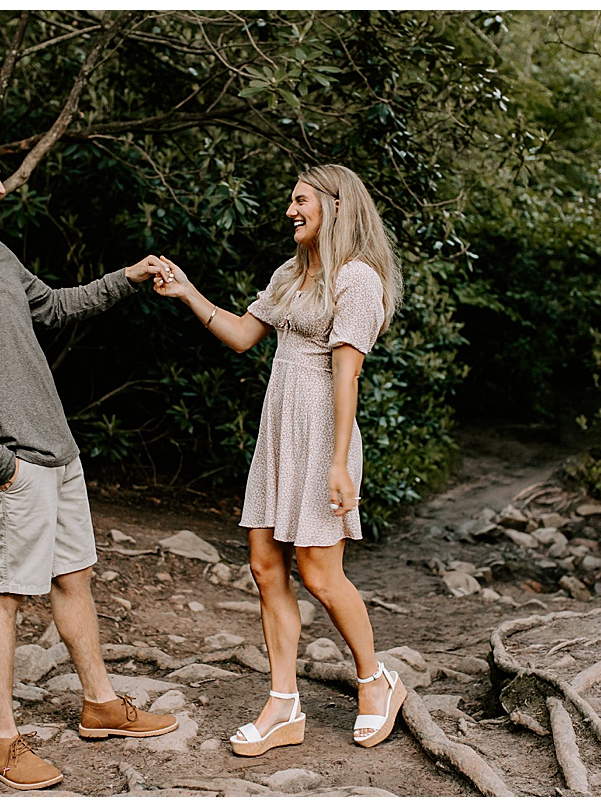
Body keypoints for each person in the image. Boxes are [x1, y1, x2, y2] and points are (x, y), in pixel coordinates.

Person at [0, 125, 177, 791]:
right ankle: (2, 740)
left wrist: (129, 277)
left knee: (73, 576)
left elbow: (53, 306)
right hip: (13, 461)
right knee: (4, 594)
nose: (2, 184)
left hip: (58, 450)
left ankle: (102, 704)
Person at [152, 164, 406, 755]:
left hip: (323, 436)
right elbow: (243, 334)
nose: (291, 210)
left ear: (336, 207)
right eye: (290, 201)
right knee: (266, 568)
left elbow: (347, 378)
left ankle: (376, 680)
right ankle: (284, 705)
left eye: (301, 200)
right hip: (278, 435)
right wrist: (189, 291)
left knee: (320, 573)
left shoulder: (358, 280)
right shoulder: (291, 275)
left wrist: (339, 463)